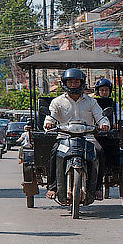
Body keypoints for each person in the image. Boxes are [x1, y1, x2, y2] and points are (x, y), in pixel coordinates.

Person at [44, 68, 110, 202]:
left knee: (100, 152)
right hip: (64, 139)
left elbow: (100, 115)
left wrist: (104, 123)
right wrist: (49, 123)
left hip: (87, 138)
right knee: (53, 154)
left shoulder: (91, 101)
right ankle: (52, 187)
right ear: (65, 83)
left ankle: (97, 187)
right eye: (70, 82)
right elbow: (51, 116)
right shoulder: (57, 102)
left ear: (82, 83)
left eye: (76, 82)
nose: (73, 84)